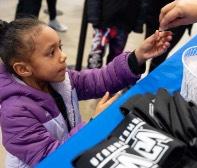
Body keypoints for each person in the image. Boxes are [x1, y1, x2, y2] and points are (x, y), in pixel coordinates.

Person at [0, 18, 172, 167]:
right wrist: (93, 124)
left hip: (74, 151)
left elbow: (100, 79)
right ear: (23, 68)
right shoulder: (15, 113)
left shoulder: (62, 79)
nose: (63, 56)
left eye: (60, 47)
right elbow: (50, 159)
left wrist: (137, 57)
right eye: (51, 53)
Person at [86, 0, 151, 68]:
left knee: (115, 61)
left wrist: (138, 23)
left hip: (124, 24)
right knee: (95, 58)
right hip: (104, 21)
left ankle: (109, 82)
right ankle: (92, 81)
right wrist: (94, 16)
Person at [145, 0, 197, 72]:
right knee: (146, 50)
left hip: (183, 21)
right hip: (160, 14)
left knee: (162, 54)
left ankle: (150, 80)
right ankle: (132, 82)